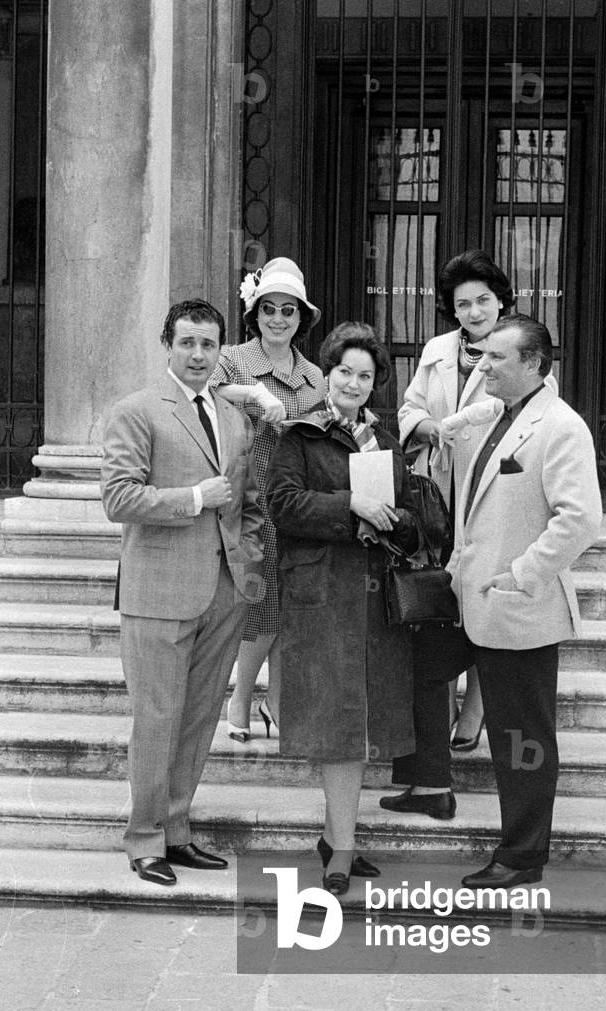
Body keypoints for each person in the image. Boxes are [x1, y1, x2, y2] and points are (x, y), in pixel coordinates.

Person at [101, 298, 264, 885]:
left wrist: (248, 561)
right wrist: (195, 498)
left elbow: (247, 501)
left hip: (223, 590)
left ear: (221, 350)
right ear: (167, 345)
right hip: (158, 591)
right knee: (157, 717)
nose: (198, 354)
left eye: (208, 344)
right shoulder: (136, 411)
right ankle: (144, 838)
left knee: (197, 719)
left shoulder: (234, 417)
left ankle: (176, 830)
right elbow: (119, 498)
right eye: (187, 342)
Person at [449, 313, 602, 889]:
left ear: (534, 363)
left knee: (523, 741)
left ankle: (521, 856)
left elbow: (580, 519)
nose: (482, 365)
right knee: (509, 738)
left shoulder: (561, 426)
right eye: (483, 354)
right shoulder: (499, 415)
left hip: (520, 608)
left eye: (496, 357)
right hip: (476, 603)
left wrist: (522, 574)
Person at [266, 321, 419, 895]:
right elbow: (281, 505)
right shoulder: (300, 434)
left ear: (376, 383)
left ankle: (337, 840)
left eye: (365, 376)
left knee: (359, 722)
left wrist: (396, 518)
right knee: (337, 722)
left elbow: (409, 513)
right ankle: (343, 850)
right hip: (323, 594)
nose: (353, 384)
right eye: (344, 372)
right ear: (327, 374)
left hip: (375, 599)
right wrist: (349, 504)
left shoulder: (387, 441)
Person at [397, 250, 520, 763]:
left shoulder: (519, 347)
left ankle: (475, 708)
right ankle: (441, 703)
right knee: (442, 600)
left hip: (493, 496)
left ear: (501, 301)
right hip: (439, 494)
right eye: (463, 303)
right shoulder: (437, 350)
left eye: (483, 300)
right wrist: (430, 428)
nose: (474, 312)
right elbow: (410, 407)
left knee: (484, 598)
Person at [209, 257, 326, 742]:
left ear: (301, 318)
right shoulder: (232, 359)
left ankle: (276, 700)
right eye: (269, 309)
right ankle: (240, 697)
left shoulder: (314, 375)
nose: (278, 319)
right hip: (247, 497)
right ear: (254, 314)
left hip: (295, 499)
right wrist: (256, 395)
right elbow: (207, 390)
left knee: (289, 603)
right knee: (260, 600)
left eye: (288, 311)